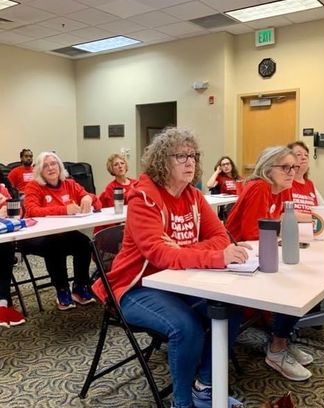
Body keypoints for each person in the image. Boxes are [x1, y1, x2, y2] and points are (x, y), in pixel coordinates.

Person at [92, 128, 247, 408]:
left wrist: (183, 250)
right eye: (181, 156)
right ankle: (182, 403)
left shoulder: (194, 196)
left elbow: (221, 238)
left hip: (181, 279)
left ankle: (204, 386)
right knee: (186, 328)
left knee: (230, 309)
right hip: (135, 286)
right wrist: (213, 255)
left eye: (193, 156)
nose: (190, 162)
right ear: (163, 161)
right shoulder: (143, 199)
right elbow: (160, 255)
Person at [224, 146, 314, 382]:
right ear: (267, 168)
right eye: (285, 167)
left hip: (258, 254)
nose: (292, 172)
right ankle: (277, 347)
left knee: (301, 279)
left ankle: (281, 340)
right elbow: (251, 234)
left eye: (294, 167)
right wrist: (281, 232)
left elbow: (283, 226)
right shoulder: (259, 188)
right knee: (292, 285)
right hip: (238, 260)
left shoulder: (284, 190)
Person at [20, 150, 99, 309]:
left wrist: (88, 197)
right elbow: (32, 211)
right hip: (36, 236)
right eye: (45, 166)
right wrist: (64, 210)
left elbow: (94, 201)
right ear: (40, 171)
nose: (50, 168)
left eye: (53, 164)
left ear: (60, 166)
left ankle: (80, 286)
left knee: (84, 243)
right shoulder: (34, 187)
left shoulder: (69, 183)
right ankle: (62, 289)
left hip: (63, 233)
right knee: (55, 244)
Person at [0, 183, 25, 325]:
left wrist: (8, 210)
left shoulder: (1, 189)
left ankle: (3, 303)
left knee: (6, 249)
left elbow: (18, 213)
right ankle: (5, 303)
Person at [288, 140, 324, 212]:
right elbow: (285, 214)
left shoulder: (310, 184)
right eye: (298, 155)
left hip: (312, 222)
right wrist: (314, 217)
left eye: (306, 155)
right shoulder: (285, 183)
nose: (304, 157)